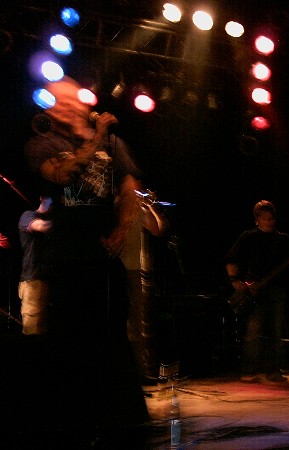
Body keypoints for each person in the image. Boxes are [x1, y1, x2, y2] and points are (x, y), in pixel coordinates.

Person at [23, 75, 149, 438]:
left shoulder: (113, 143)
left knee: (112, 335)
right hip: (65, 256)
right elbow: (63, 175)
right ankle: (71, 421)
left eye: (69, 99)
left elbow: (130, 186)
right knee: (69, 339)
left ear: (82, 102)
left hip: (104, 255)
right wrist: (95, 139)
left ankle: (121, 418)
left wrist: (123, 228)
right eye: (56, 101)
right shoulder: (42, 142)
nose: (63, 106)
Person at [224, 200, 289, 383]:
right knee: (253, 332)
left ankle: (273, 371)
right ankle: (249, 371)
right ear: (257, 219)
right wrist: (234, 280)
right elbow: (231, 259)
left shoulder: (283, 239)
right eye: (264, 218)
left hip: (276, 289)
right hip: (254, 289)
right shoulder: (248, 236)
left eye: (271, 218)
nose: (269, 221)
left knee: (275, 332)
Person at [121, 188, 170, 384]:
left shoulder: (139, 210)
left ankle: (141, 372)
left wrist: (150, 208)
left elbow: (158, 230)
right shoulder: (116, 206)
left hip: (135, 270)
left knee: (138, 324)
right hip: (116, 267)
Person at [17, 196, 53, 336]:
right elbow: (41, 226)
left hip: (44, 279)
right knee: (33, 332)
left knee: (43, 330)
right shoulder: (28, 215)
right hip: (33, 280)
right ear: (42, 198)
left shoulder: (50, 219)